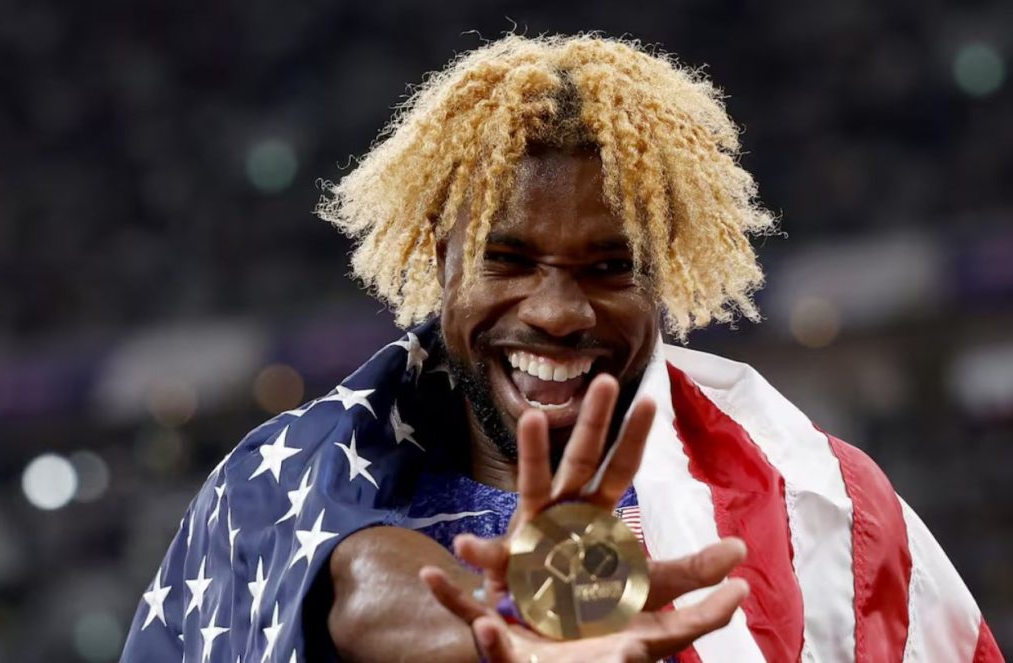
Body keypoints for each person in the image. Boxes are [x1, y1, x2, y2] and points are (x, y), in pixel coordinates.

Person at [120, 34, 1002, 662]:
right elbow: (358, 583)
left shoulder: (812, 501)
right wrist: (524, 624)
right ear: (440, 254)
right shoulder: (290, 482)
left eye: (608, 265)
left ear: (664, 274)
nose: (555, 310)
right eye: (508, 258)